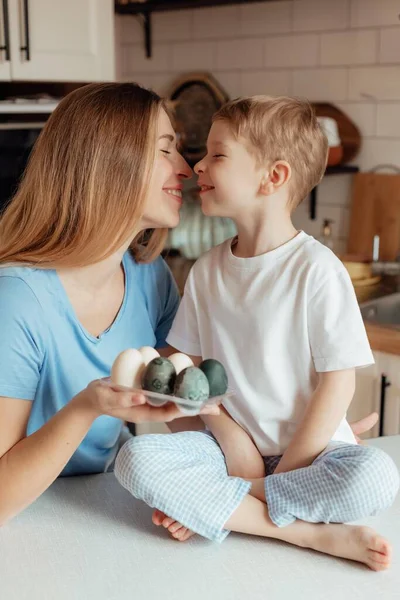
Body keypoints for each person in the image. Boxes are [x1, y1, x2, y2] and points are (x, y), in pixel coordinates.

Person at [115, 96, 399, 571]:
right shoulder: (207, 272)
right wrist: (230, 439)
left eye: (218, 155)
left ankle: (233, 507)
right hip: (226, 452)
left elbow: (338, 383)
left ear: (274, 176)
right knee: (136, 461)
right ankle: (310, 535)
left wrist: (281, 473)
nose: (197, 165)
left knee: (376, 479)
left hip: (312, 457)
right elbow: (188, 381)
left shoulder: (317, 270)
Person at [0, 82, 221, 527]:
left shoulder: (149, 277)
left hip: (100, 503)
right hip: (27, 519)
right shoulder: (17, 300)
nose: (185, 167)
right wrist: (89, 406)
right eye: (165, 150)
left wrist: (290, 452)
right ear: (109, 162)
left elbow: (181, 409)